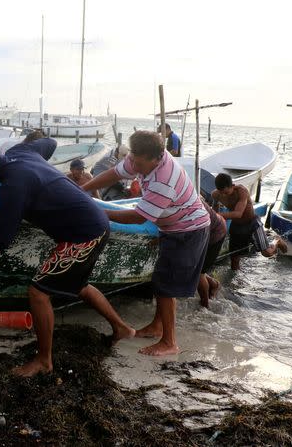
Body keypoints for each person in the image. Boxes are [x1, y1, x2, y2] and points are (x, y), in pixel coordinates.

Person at [0, 138, 136, 376]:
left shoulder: (13, 186)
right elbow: (49, 143)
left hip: (84, 234)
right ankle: (122, 328)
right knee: (77, 284)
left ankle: (44, 361)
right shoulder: (21, 151)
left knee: (38, 292)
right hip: (91, 225)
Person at [81, 130, 210, 356]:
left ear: (156, 158)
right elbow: (114, 173)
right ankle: (156, 326)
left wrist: (100, 212)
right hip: (172, 227)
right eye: (134, 161)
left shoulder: (164, 179)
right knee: (161, 280)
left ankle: (169, 342)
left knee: (165, 286)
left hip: (189, 230)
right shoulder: (139, 157)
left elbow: (139, 217)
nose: (135, 168)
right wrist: (83, 190)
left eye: (140, 164)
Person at [211, 173, 286, 271]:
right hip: (236, 225)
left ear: (232, 186)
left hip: (252, 223)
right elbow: (215, 209)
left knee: (267, 253)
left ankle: (277, 241)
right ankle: (236, 283)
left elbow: (238, 213)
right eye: (221, 193)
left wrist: (215, 215)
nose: (224, 195)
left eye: (226, 192)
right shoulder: (215, 194)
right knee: (234, 259)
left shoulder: (241, 191)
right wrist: (214, 216)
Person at [197, 198, 225, 308]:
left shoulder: (190, 202)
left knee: (199, 273)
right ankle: (213, 284)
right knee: (193, 269)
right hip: (206, 230)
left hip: (215, 233)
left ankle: (205, 305)